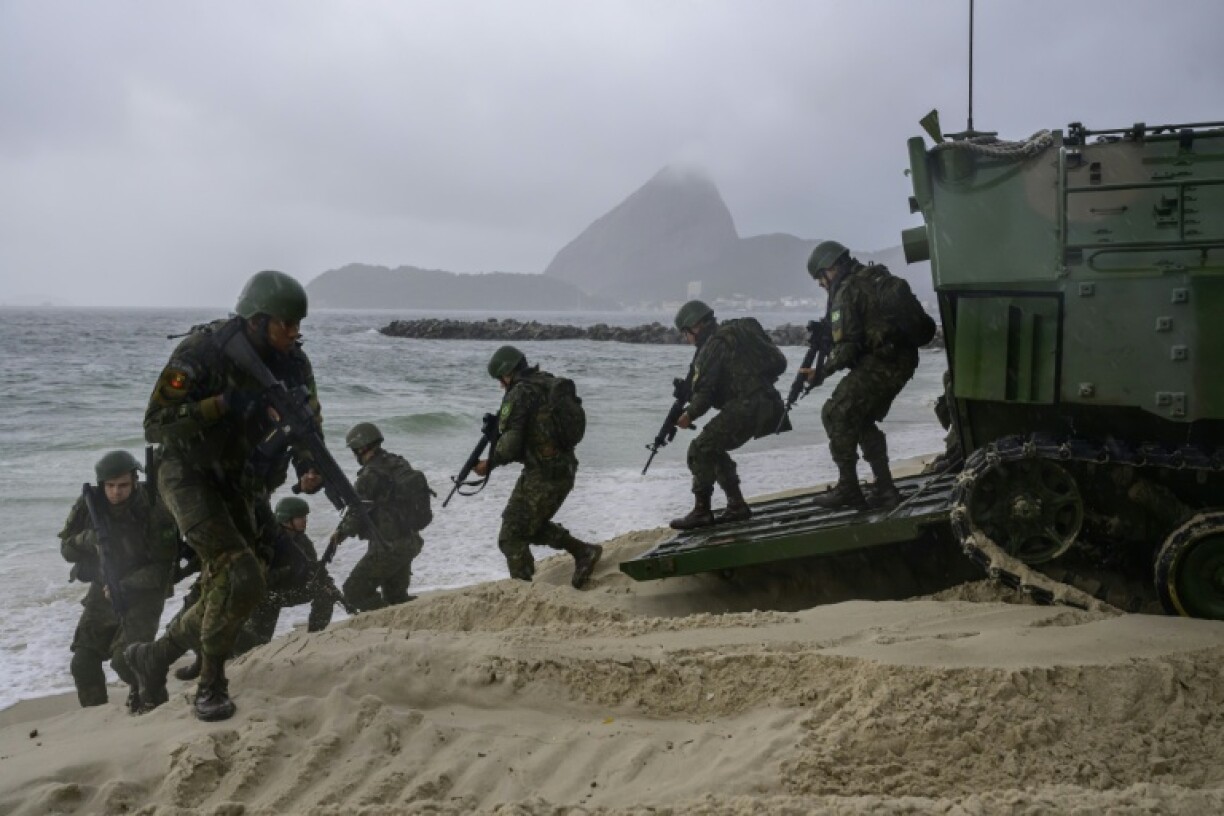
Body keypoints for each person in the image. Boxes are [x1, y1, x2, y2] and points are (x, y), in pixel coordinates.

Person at [127, 269, 324, 722]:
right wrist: (221, 405)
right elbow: (156, 423)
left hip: (241, 478)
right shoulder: (202, 351)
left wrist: (309, 466)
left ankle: (155, 657)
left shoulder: (293, 362)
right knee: (239, 575)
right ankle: (211, 684)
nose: (295, 333)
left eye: (299, 324)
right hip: (189, 475)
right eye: (286, 323)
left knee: (235, 582)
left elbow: (307, 419)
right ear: (256, 320)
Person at [801, 240, 922, 510]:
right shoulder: (871, 277)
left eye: (821, 278)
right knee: (861, 418)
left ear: (831, 268)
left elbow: (847, 347)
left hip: (883, 363)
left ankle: (849, 489)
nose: (822, 284)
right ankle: (885, 488)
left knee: (835, 413)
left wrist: (820, 373)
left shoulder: (846, 291)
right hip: (902, 359)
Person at [471, 345, 602, 587]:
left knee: (510, 535)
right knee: (530, 525)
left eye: (500, 379)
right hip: (563, 468)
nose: (501, 385)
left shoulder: (519, 393)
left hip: (544, 473)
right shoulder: (545, 383)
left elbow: (510, 445)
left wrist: (489, 463)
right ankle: (583, 551)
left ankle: (524, 590)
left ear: (507, 373)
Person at [57, 450, 178, 711]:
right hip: (102, 588)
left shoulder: (155, 507)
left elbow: (163, 569)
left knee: (124, 661)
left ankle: (154, 699)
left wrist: (124, 585)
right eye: (110, 485)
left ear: (135, 480)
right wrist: (87, 540)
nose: (116, 492)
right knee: (83, 662)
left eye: (123, 485)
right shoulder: (90, 503)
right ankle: (99, 718)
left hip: (145, 592)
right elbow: (66, 550)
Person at [174, 496, 341, 680]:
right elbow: (258, 577)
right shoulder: (269, 541)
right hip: (262, 597)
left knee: (325, 592)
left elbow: (307, 570)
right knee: (252, 647)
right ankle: (206, 650)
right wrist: (288, 572)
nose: (305, 521)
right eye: (300, 517)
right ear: (287, 519)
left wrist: (318, 579)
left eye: (305, 517)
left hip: (281, 594)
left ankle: (315, 638)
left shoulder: (302, 542)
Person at [668, 301, 788, 530]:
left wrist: (688, 416)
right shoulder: (732, 334)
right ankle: (736, 505)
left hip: (747, 406)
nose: (687, 339)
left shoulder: (713, 346)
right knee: (713, 448)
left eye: (686, 333)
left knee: (700, 449)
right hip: (766, 401)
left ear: (696, 325)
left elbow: (704, 394)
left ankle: (702, 511)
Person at [328, 422, 433, 611]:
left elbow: (356, 512)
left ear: (361, 448)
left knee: (353, 591)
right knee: (396, 597)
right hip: (410, 541)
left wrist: (340, 533)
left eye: (354, 450)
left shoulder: (369, 475)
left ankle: (384, 624)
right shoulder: (398, 462)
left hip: (389, 547)